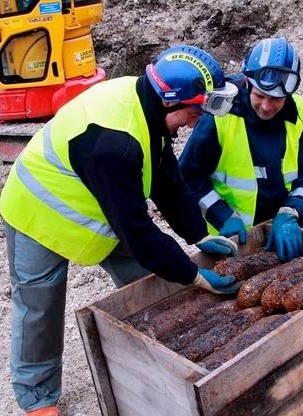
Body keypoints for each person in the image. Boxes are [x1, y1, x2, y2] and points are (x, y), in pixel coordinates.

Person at [0, 45, 239, 416]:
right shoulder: (114, 142)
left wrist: (198, 234)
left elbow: (166, 179)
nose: (194, 123)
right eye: (193, 113)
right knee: (39, 307)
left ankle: (166, 356)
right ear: (171, 103)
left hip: (99, 207)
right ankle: (38, 399)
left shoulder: (146, 104)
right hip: (39, 212)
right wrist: (193, 273)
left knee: (150, 283)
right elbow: (137, 230)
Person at [179, 37, 303, 264]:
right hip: (236, 220)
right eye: (260, 96)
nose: (267, 107)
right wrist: (221, 215)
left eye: (276, 99)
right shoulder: (220, 115)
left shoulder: (302, 114)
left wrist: (292, 212)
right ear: (247, 84)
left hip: (288, 211)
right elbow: (188, 177)